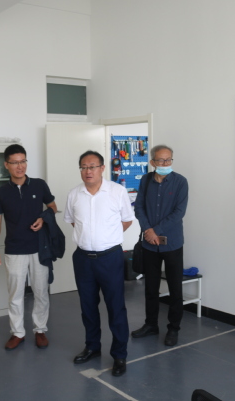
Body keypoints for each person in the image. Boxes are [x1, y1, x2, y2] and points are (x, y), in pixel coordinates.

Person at [64, 150, 134, 377]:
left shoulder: (117, 191)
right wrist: (90, 238)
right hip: (83, 259)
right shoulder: (74, 194)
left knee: (116, 307)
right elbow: (73, 222)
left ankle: (120, 354)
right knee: (87, 306)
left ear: (102, 168)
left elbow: (127, 220)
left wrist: (107, 236)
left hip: (110, 258)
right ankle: (92, 347)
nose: (88, 171)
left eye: (92, 166)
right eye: (84, 167)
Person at [0, 144, 57, 350]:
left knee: (41, 292)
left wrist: (43, 218)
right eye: (15, 163)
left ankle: (40, 330)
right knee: (15, 294)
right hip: (14, 249)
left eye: (23, 161)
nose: (20, 166)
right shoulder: (1, 192)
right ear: (6, 165)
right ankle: (17, 333)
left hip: (39, 248)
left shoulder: (39, 185)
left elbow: (52, 206)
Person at [131, 145, 188, 346]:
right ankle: (151, 324)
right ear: (152, 162)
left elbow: (179, 212)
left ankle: (173, 328)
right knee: (151, 287)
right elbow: (139, 207)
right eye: (161, 160)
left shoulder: (180, 182)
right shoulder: (146, 180)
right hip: (149, 245)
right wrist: (148, 230)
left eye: (168, 159)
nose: (165, 163)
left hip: (172, 244)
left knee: (175, 289)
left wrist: (155, 231)